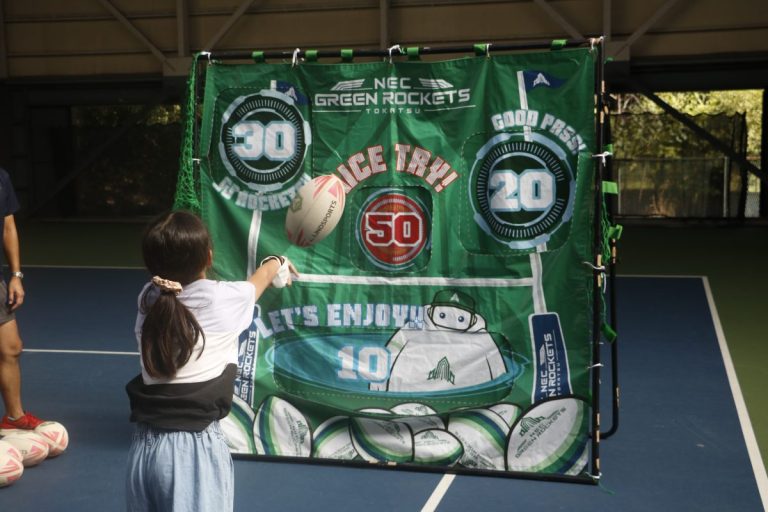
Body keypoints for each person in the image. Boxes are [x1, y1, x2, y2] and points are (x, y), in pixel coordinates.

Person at [125, 210, 297, 512]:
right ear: (208, 257)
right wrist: (277, 262)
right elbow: (261, 279)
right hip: (192, 450)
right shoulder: (224, 299)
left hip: (143, 450)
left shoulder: (147, 300)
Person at [0, 166, 44, 430]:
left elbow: (8, 226)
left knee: (11, 347)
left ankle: (14, 418)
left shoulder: (2, 177)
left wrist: (16, 275)